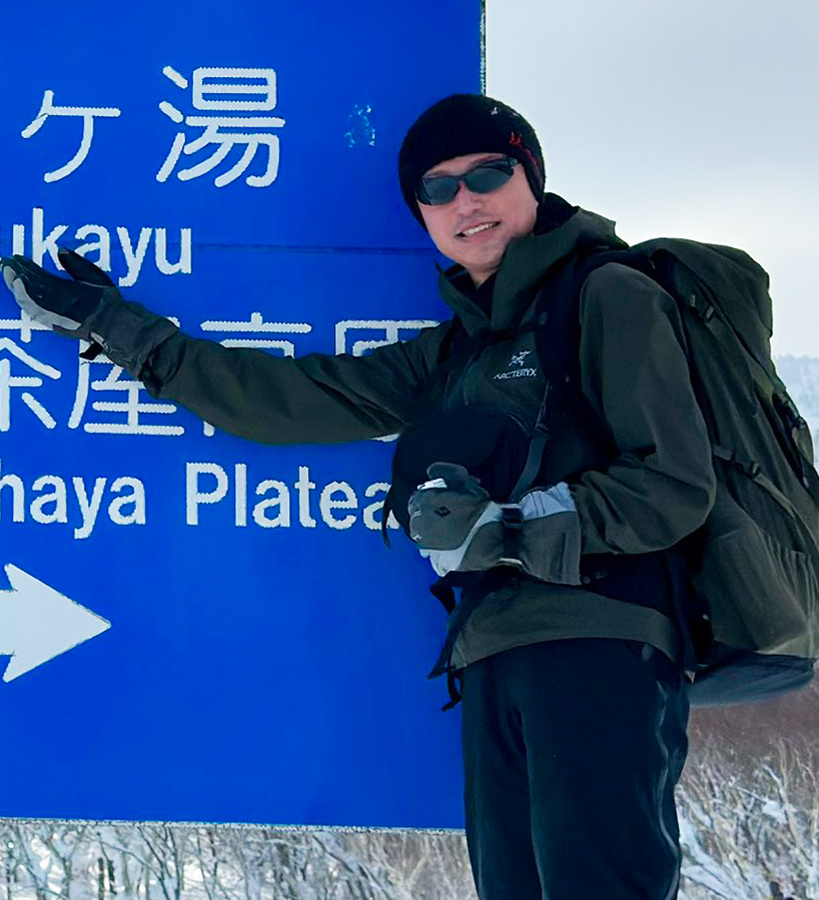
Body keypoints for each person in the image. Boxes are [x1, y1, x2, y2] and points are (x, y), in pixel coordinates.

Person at [2, 93, 715, 900]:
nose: (465, 201)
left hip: (599, 643)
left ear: (533, 178)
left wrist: (511, 530)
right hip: (495, 653)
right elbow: (290, 398)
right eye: (438, 189)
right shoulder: (459, 349)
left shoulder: (607, 296)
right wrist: (122, 331)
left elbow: (673, 485)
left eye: (488, 174)